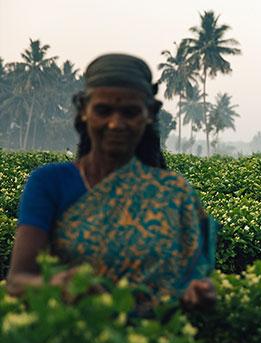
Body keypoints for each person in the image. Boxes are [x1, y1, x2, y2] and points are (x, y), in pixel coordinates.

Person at [6, 53, 216, 312]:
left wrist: (196, 291)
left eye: (130, 112)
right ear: (84, 111)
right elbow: (17, 281)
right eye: (103, 110)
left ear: (149, 114)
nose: (116, 124)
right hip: (71, 341)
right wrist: (60, 284)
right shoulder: (49, 183)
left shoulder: (174, 193)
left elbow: (194, 276)